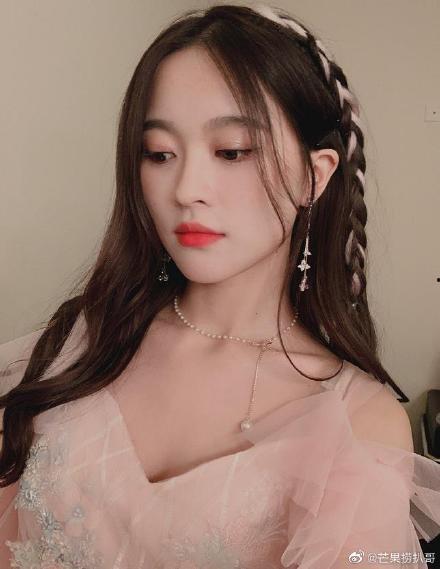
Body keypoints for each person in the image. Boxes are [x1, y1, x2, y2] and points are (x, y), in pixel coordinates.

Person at [0, 3, 439, 568]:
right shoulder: (76, 342)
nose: (186, 188)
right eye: (159, 154)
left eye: (232, 151)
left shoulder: (359, 427)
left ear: (316, 175)